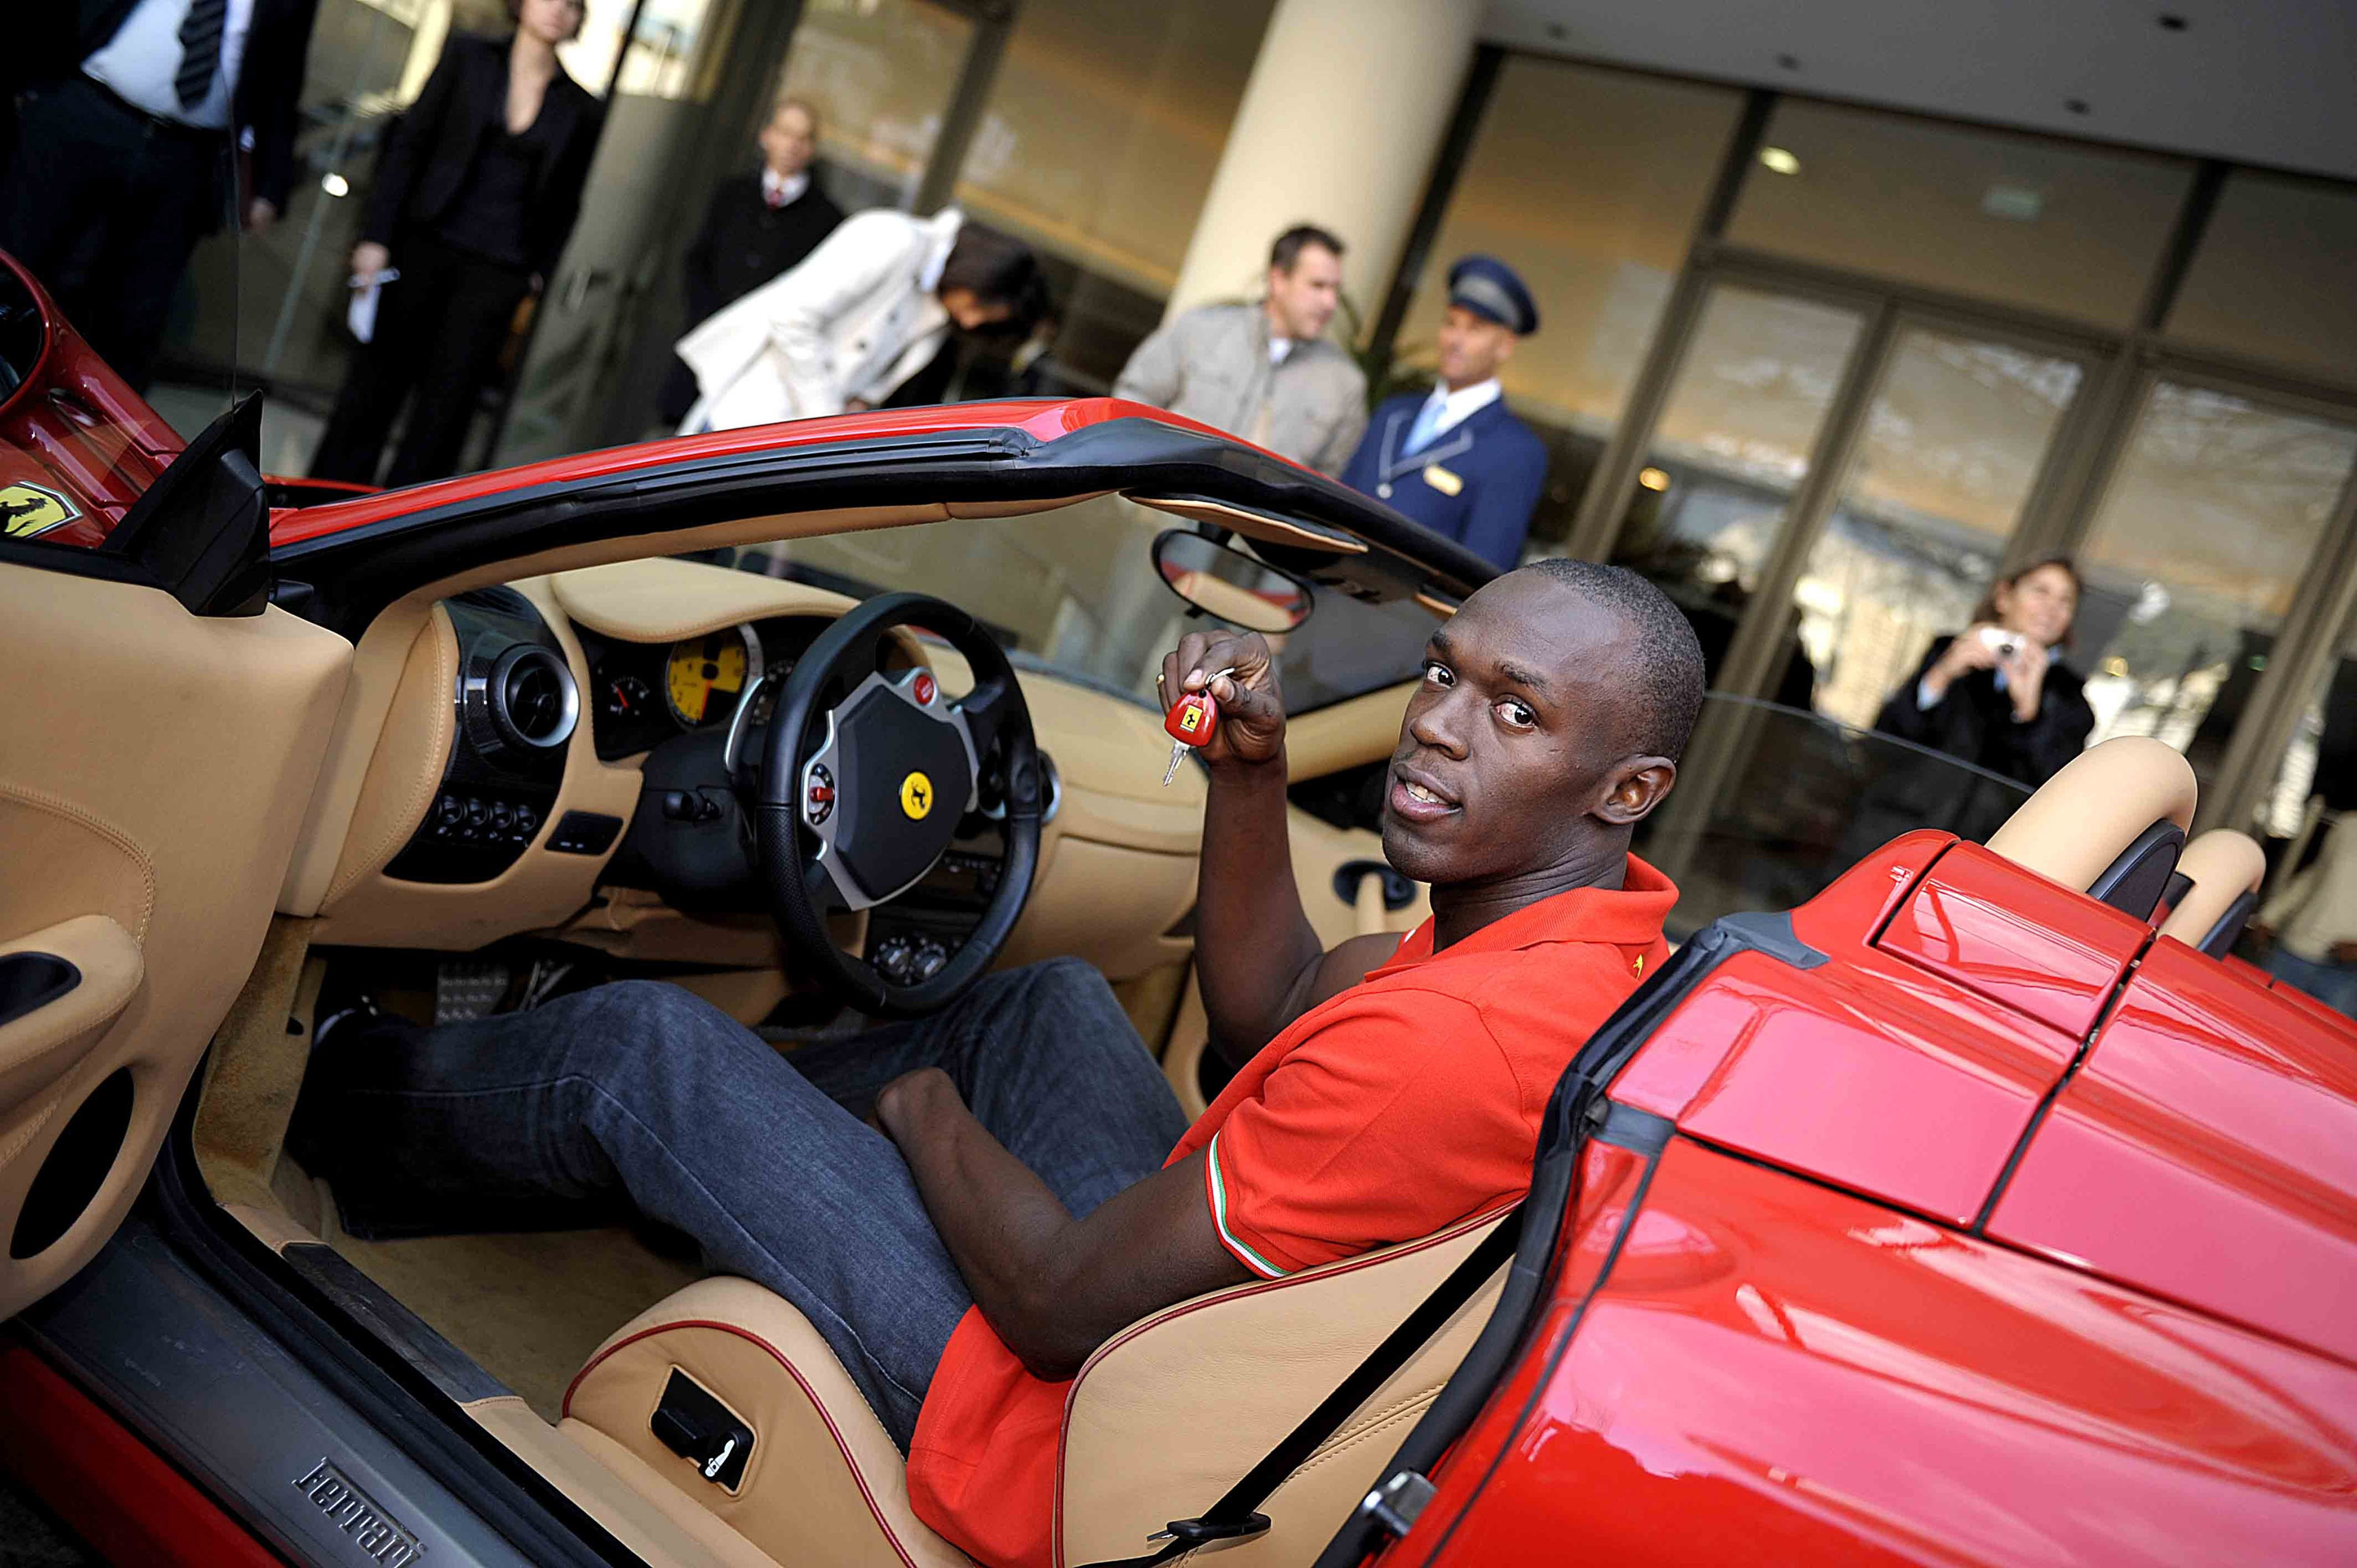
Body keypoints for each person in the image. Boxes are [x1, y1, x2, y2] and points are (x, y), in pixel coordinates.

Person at [286, 559, 1706, 1567]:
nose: (1442, 725)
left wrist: (919, 1114)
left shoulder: (1446, 1049)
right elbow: (1274, 1005)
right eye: (1446, 676)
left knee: (644, 1052)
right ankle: (714, 1157)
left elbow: (1050, 1305)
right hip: (1186, 1359)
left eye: (1516, 713)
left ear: (1630, 788)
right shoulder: (1591, 958)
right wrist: (1249, 778)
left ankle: (333, 1095)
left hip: (1067, 1435)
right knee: (1055, 1003)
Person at [307, 0, 603, 487]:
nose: (557, 10)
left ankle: (406, 540)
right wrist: (376, 236)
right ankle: (320, 516)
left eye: (571, 4)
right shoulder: (468, 58)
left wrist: (538, 275)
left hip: (497, 272)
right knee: (370, 394)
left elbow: (568, 202)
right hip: (422, 244)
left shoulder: (581, 108)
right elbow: (408, 145)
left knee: (444, 418)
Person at [1, 0, 319, 390]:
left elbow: (283, 81)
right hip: (83, 114)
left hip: (187, 157)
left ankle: (93, 439)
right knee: (19, 269)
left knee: (135, 319)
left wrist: (269, 187)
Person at [674, 211, 1047, 430]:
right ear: (977, 273)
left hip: (790, 447)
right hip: (745, 418)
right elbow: (792, 316)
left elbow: (868, 383)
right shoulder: (894, 239)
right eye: (979, 305)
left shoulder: (937, 311)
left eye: (985, 321)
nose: (971, 321)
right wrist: (824, 420)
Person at [1340, 255, 1548, 571]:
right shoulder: (1394, 413)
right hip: (1323, 598)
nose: (1456, 340)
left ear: (1505, 345)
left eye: (1475, 329)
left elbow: (1482, 571)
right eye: (1451, 323)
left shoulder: (1515, 452)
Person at [1113, 224, 1366, 476]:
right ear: (1278, 280)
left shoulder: (1345, 384)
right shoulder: (1202, 328)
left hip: (1254, 516)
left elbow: (1329, 483)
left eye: (1335, 290)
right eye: (1318, 286)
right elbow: (1133, 399)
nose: (1330, 303)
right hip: (1159, 508)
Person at [654, 96, 844, 427]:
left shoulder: (827, 219)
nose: (792, 145)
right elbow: (698, 261)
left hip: (763, 368)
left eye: (803, 138)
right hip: (706, 345)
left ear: (812, 149)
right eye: (786, 133)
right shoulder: (732, 193)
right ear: (767, 136)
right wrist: (708, 319)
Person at [1872, 555, 2095, 788]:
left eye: (2066, 601)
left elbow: (2051, 789)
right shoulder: (1947, 653)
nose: (2051, 608)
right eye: (2041, 591)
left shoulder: (2071, 701)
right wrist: (1940, 677)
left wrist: (2028, 714)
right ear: (2004, 597)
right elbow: (1882, 743)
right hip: (1904, 818)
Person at [2252, 812, 2357, 1017]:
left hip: (2345, 974)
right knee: (2252, 1018)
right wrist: (2270, 916)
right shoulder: (2348, 825)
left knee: (2317, 1045)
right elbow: (2316, 876)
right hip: (2294, 950)